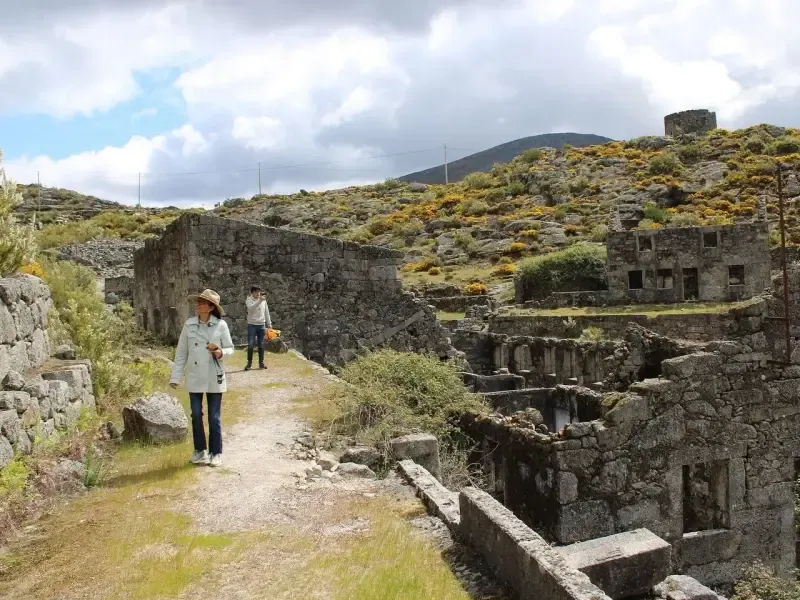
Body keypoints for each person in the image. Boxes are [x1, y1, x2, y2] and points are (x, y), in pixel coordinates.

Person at [169, 289, 234, 467]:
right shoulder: (189, 325)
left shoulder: (221, 326)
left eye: (202, 302)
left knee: (214, 417)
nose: (198, 305)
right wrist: (175, 377)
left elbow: (230, 348)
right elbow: (181, 353)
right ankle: (200, 451)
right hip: (195, 375)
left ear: (211, 307)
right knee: (196, 414)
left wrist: (220, 352)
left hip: (214, 374)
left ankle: (216, 452)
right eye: (198, 302)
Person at [245, 285, 272, 371]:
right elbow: (251, 308)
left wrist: (269, 324)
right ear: (252, 292)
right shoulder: (248, 300)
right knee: (250, 344)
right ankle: (249, 363)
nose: (257, 293)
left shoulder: (263, 300)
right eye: (256, 292)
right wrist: (260, 301)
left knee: (261, 344)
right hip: (252, 325)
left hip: (261, 324)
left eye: (258, 292)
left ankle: (261, 363)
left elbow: (266, 312)